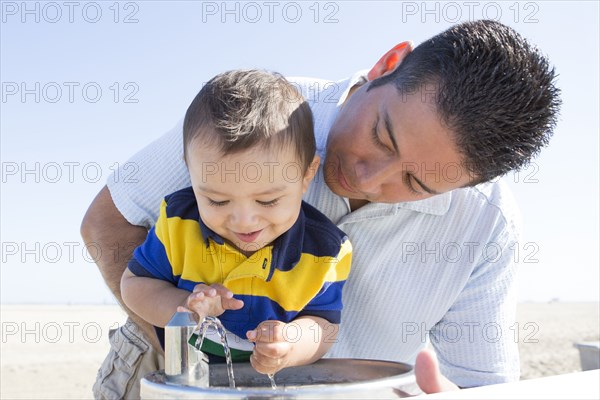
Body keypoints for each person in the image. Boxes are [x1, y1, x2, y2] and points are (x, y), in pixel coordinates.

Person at [81, 20, 561, 399]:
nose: (367, 178)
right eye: (380, 136)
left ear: (470, 184)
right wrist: (195, 361)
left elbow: (485, 387)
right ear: (386, 64)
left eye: (415, 182)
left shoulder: (485, 224)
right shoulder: (255, 114)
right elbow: (108, 221)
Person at [120, 69, 351, 372]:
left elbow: (324, 325)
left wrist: (291, 343)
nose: (244, 221)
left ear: (307, 175)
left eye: (268, 200)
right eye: (217, 200)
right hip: (173, 364)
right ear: (190, 172)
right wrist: (186, 306)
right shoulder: (179, 223)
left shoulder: (325, 251)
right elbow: (135, 285)